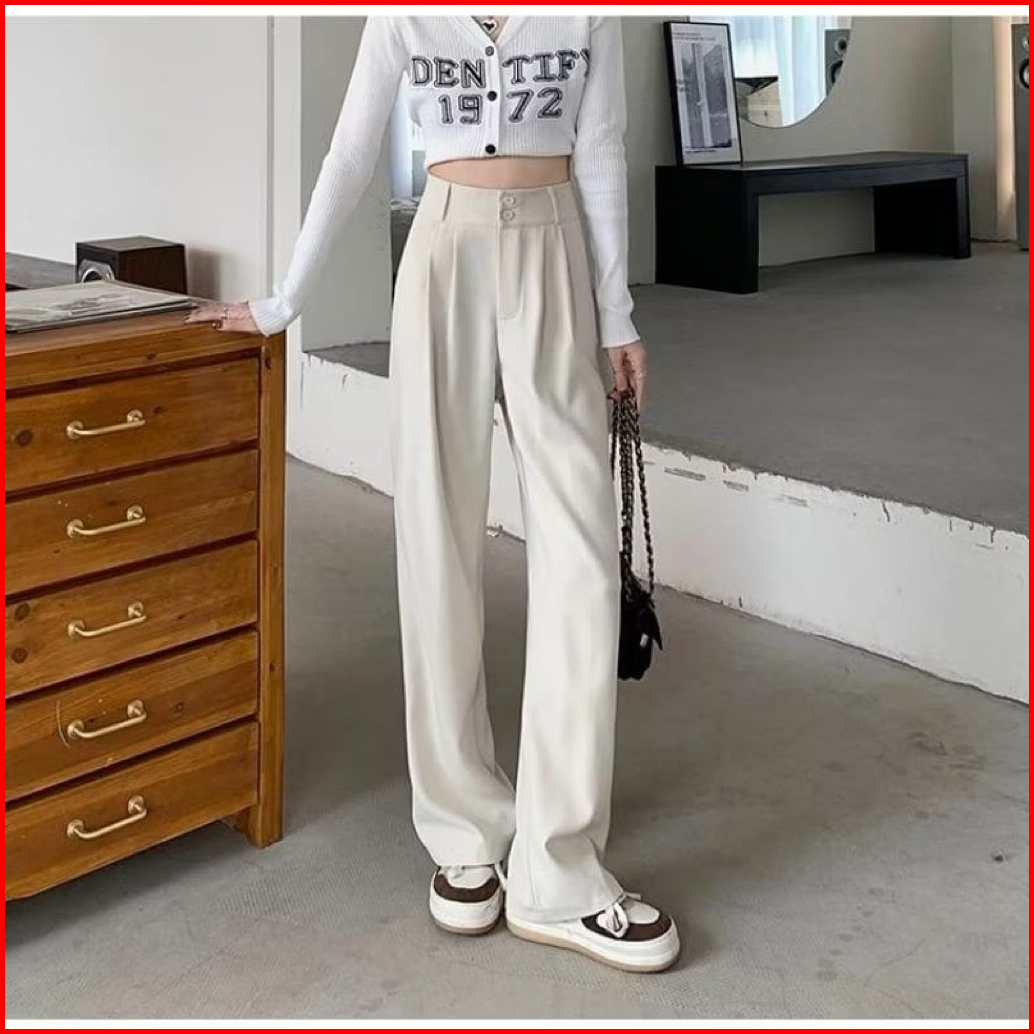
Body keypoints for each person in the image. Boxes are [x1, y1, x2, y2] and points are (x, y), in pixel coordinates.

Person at [188, 15, 678, 974]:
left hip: (554, 249)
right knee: (436, 540)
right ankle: (465, 828)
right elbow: (350, 150)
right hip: (444, 250)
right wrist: (285, 300)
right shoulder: (404, 14)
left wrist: (617, 312)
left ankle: (559, 868)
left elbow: (602, 148)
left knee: (582, 558)